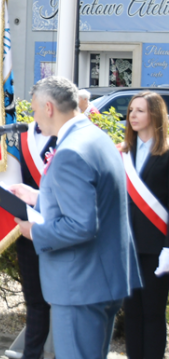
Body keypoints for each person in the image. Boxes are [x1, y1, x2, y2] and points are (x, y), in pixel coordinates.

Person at [8, 76, 141, 359]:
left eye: (33, 110)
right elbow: (91, 200)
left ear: (49, 107)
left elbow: (80, 225)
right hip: (102, 277)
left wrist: (34, 231)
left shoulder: (69, 151)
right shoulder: (96, 137)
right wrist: (37, 197)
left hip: (79, 282)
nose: (33, 118)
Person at [120, 91, 169, 359]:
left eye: (140, 110)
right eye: (131, 111)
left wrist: (168, 248)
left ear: (155, 115)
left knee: (152, 313)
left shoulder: (167, 153)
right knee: (132, 314)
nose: (133, 116)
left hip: (156, 250)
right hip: (127, 247)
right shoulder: (123, 152)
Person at [15, 121, 56, 359]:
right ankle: (31, 354)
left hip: (59, 231)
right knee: (34, 301)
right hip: (27, 229)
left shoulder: (70, 136)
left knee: (60, 304)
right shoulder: (21, 136)